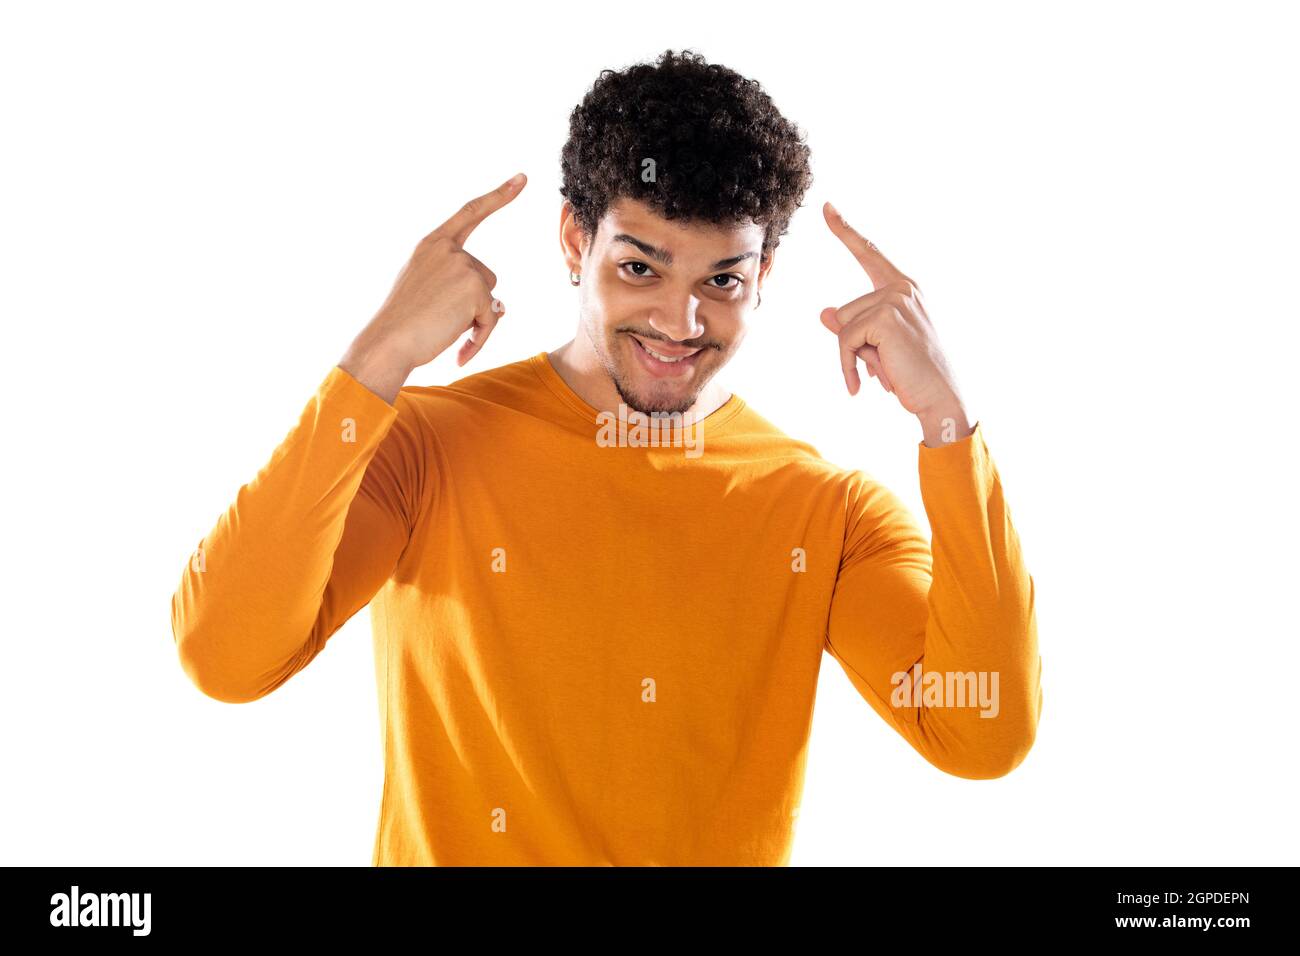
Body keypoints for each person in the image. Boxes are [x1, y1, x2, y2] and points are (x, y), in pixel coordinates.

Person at [170, 48, 1042, 866]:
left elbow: (984, 733)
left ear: (765, 275)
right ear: (573, 241)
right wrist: (377, 359)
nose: (679, 321)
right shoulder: (425, 448)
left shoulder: (829, 513)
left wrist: (947, 421)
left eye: (721, 282)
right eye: (639, 268)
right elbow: (226, 657)